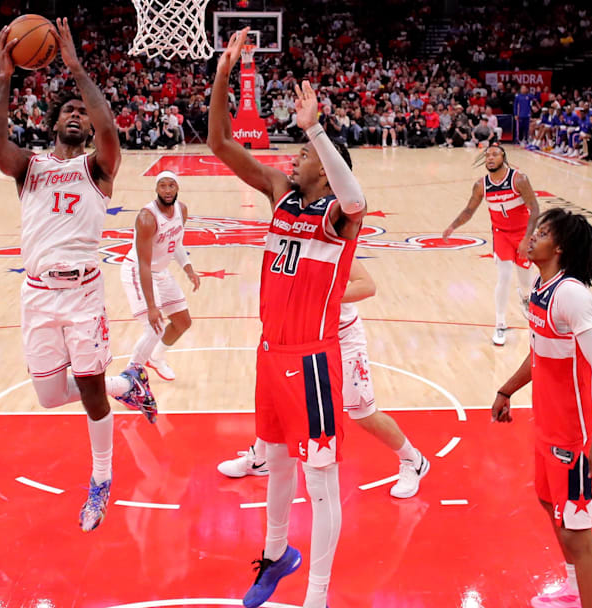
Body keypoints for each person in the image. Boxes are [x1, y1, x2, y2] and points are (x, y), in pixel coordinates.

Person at [207, 28, 367, 608]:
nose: (290, 159)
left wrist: (316, 131)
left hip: (314, 360)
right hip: (270, 352)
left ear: (324, 168)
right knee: (274, 460)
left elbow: (356, 201)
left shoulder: (338, 215)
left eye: (301, 156)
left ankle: (318, 596)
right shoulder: (280, 192)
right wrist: (225, 70)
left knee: (321, 483)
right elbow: (219, 142)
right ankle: (276, 558)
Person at [0, 18, 157, 532]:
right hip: (37, 297)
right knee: (49, 396)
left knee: (89, 392)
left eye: (82, 111)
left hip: (82, 295)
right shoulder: (29, 167)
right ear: (53, 123)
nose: (78, 115)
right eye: (69, 110)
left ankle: (101, 481)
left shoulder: (98, 170)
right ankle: (130, 383)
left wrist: (78, 70)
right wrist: (4, 75)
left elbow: (109, 129)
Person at [492, 208, 592, 608]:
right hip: (547, 425)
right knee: (548, 504)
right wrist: (507, 389)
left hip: (574, 435)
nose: (532, 235)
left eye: (542, 232)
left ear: (559, 248)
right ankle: (572, 589)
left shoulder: (572, 295)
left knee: (576, 533)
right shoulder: (539, 285)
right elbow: (539, 353)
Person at [219, 262, 430, 498]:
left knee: (363, 413)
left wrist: (321, 298)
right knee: (280, 400)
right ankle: (260, 459)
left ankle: (413, 460)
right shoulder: (288, 243)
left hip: (342, 338)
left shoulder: (332, 244)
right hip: (305, 338)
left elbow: (367, 286)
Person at [443, 144, 540, 345]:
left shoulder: (519, 179)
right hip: (501, 234)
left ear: (503, 157)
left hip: (522, 234)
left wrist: (527, 238)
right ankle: (500, 324)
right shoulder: (481, 185)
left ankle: (524, 298)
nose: (490, 158)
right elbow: (469, 211)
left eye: (495, 154)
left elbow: (535, 208)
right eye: (487, 155)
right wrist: (452, 226)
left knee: (524, 281)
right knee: (504, 276)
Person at [120, 170, 200, 381]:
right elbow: (144, 265)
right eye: (162, 185)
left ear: (177, 188)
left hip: (160, 271)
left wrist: (188, 268)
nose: (166, 190)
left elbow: (176, 242)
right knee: (155, 328)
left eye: (171, 185)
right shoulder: (147, 218)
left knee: (183, 322)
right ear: (156, 188)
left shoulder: (181, 210)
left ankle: (155, 357)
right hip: (138, 271)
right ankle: (129, 379)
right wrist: (152, 306)